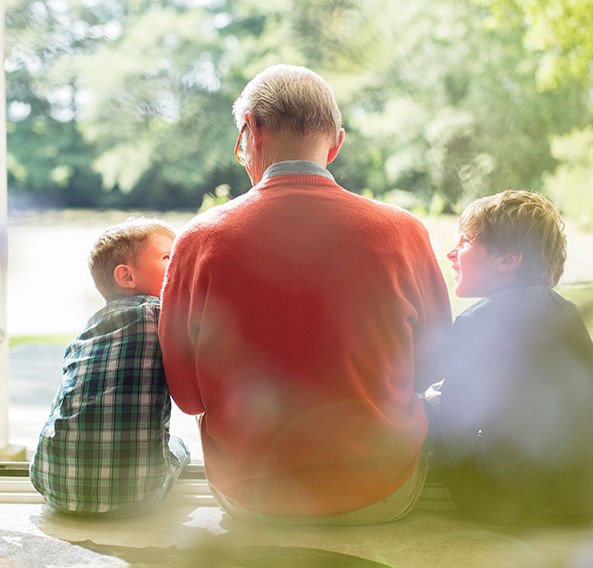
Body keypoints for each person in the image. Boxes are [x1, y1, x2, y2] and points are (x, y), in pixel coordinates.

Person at [159, 64, 452, 524]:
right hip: (381, 493)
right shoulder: (404, 233)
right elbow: (434, 367)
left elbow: (189, 398)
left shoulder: (200, 240)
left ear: (251, 132)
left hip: (251, 500)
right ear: (335, 143)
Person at [426, 190, 593, 525]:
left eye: (465, 242)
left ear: (508, 260)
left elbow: (451, 441)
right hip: (589, 498)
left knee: (421, 408)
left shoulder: (476, 321)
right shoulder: (568, 313)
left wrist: (428, 407)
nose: (450, 252)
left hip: (504, 503)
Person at [30, 218, 191, 516]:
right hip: (136, 496)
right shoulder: (160, 314)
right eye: (169, 257)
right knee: (180, 446)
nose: (181, 264)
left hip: (53, 483)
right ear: (126, 277)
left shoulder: (88, 331)